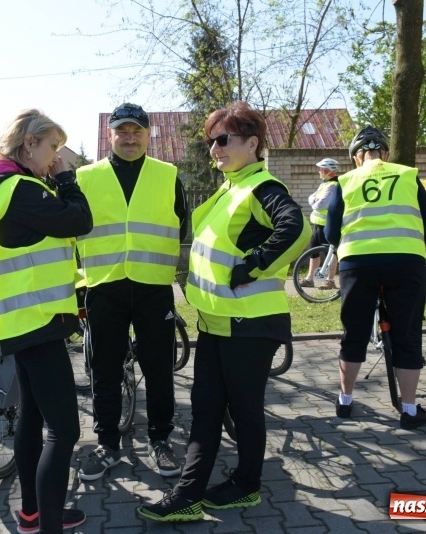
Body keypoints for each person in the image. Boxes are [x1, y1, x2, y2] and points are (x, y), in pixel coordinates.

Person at [138, 101, 310, 522]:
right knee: (207, 409)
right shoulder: (231, 187)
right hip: (218, 323)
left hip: (249, 323)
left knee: (242, 409)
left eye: (223, 139)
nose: (215, 148)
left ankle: (244, 486)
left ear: (252, 143)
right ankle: (189, 495)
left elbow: (296, 227)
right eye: (210, 142)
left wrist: (252, 266)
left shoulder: (261, 187)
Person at [0, 109, 92, 533]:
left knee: (32, 420)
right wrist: (67, 179)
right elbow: (80, 220)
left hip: (20, 320)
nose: (56, 157)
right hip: (36, 320)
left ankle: (33, 514)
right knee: (64, 431)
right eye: (53, 147)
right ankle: (48, 526)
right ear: (29, 143)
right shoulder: (20, 189)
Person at [74, 103, 188, 482]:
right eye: (122, 131)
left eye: (137, 131)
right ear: (110, 135)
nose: (130, 138)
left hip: (153, 286)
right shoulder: (86, 177)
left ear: (148, 134)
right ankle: (107, 444)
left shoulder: (168, 175)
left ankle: (160, 440)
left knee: (159, 368)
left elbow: (182, 226)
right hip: (105, 286)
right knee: (104, 370)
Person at [324, 125, 426, 430]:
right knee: (407, 334)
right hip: (405, 261)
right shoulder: (408, 175)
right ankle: (409, 410)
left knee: (354, 333)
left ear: (356, 157)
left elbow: (331, 232)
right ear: (385, 153)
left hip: (358, 263)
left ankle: (345, 401)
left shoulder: (345, 181)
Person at [298, 157, 339, 290]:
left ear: (329, 170)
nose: (319, 171)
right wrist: (314, 200)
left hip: (327, 225)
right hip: (317, 224)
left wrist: (314, 201)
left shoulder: (333, 186)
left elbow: (320, 205)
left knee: (330, 253)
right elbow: (311, 197)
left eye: (321, 169)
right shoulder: (324, 184)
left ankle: (330, 280)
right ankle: (309, 279)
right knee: (313, 251)